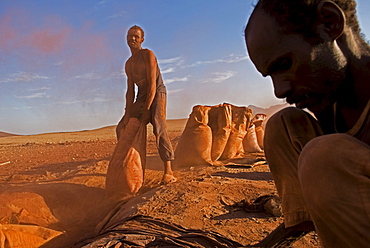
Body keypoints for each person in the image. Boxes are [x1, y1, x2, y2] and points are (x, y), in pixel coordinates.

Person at [245, 0, 369, 247]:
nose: (280, 90)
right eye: (271, 75)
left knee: (323, 154)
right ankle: (299, 223)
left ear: (329, 23)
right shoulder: (332, 103)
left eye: (284, 65)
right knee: (284, 124)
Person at [116, 25, 177, 185]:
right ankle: (128, 167)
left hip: (157, 93)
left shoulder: (148, 55)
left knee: (158, 127)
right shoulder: (129, 64)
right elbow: (130, 91)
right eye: (130, 36)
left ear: (142, 39)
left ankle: (168, 170)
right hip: (142, 96)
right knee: (121, 127)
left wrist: (147, 109)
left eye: (136, 36)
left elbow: (151, 85)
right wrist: (127, 113)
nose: (133, 39)